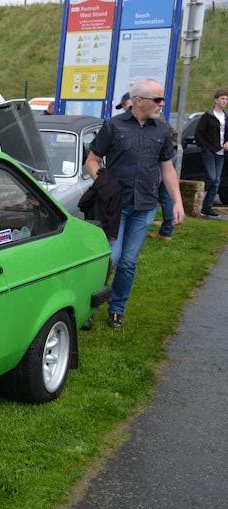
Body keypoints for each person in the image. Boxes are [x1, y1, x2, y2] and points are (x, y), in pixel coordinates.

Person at [85, 78, 184, 329]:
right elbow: (92, 160)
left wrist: (177, 202)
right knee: (111, 259)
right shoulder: (114, 126)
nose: (162, 104)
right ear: (138, 101)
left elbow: (168, 169)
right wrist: (104, 186)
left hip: (145, 206)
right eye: (158, 99)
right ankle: (89, 308)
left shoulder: (161, 130)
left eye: (163, 99)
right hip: (115, 207)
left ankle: (117, 310)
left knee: (129, 262)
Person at [194, 88, 228, 217]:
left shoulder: (226, 117)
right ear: (216, 100)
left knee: (216, 181)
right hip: (209, 151)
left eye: (226, 99)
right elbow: (199, 133)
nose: (224, 101)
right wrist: (205, 147)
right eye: (222, 99)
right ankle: (196, 195)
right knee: (211, 178)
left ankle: (207, 207)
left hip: (221, 152)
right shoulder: (208, 116)